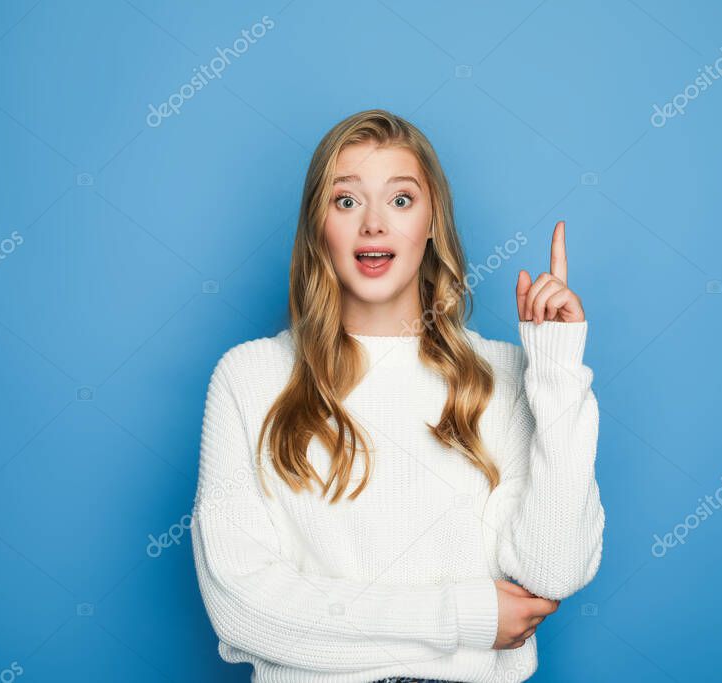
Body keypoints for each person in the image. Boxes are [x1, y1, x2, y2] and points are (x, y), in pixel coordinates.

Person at [190, 109, 604, 683]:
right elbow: (244, 610)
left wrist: (557, 373)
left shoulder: (505, 375)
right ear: (318, 224)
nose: (374, 226)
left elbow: (552, 571)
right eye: (347, 201)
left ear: (433, 219)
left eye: (401, 200)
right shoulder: (250, 378)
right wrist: (465, 617)